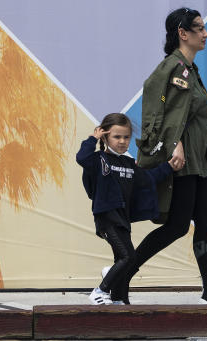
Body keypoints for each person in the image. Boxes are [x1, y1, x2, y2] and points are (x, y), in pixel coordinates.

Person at [123, 7, 207, 304]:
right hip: (183, 161)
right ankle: (120, 276)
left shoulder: (190, 70)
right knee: (177, 225)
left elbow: (185, 115)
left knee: (206, 221)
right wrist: (171, 142)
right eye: (200, 28)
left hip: (199, 159)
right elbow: (154, 115)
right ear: (183, 33)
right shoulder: (169, 68)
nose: (206, 34)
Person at [76, 113, 178, 305]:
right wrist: (92, 138)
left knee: (123, 258)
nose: (122, 141)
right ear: (105, 137)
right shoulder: (98, 160)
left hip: (123, 218)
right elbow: (82, 157)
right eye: (117, 137)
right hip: (107, 216)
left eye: (126, 137)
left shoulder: (129, 164)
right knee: (128, 257)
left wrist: (168, 167)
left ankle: (119, 299)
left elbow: (148, 179)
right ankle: (100, 290)